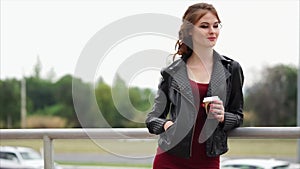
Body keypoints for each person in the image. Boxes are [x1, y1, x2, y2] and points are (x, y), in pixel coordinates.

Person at [145, 2, 244, 169]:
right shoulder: (171, 72)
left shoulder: (231, 69)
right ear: (190, 31)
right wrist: (166, 124)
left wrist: (223, 117)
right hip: (169, 159)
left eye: (216, 25)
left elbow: (238, 116)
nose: (212, 31)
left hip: (208, 161)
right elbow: (152, 118)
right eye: (204, 26)